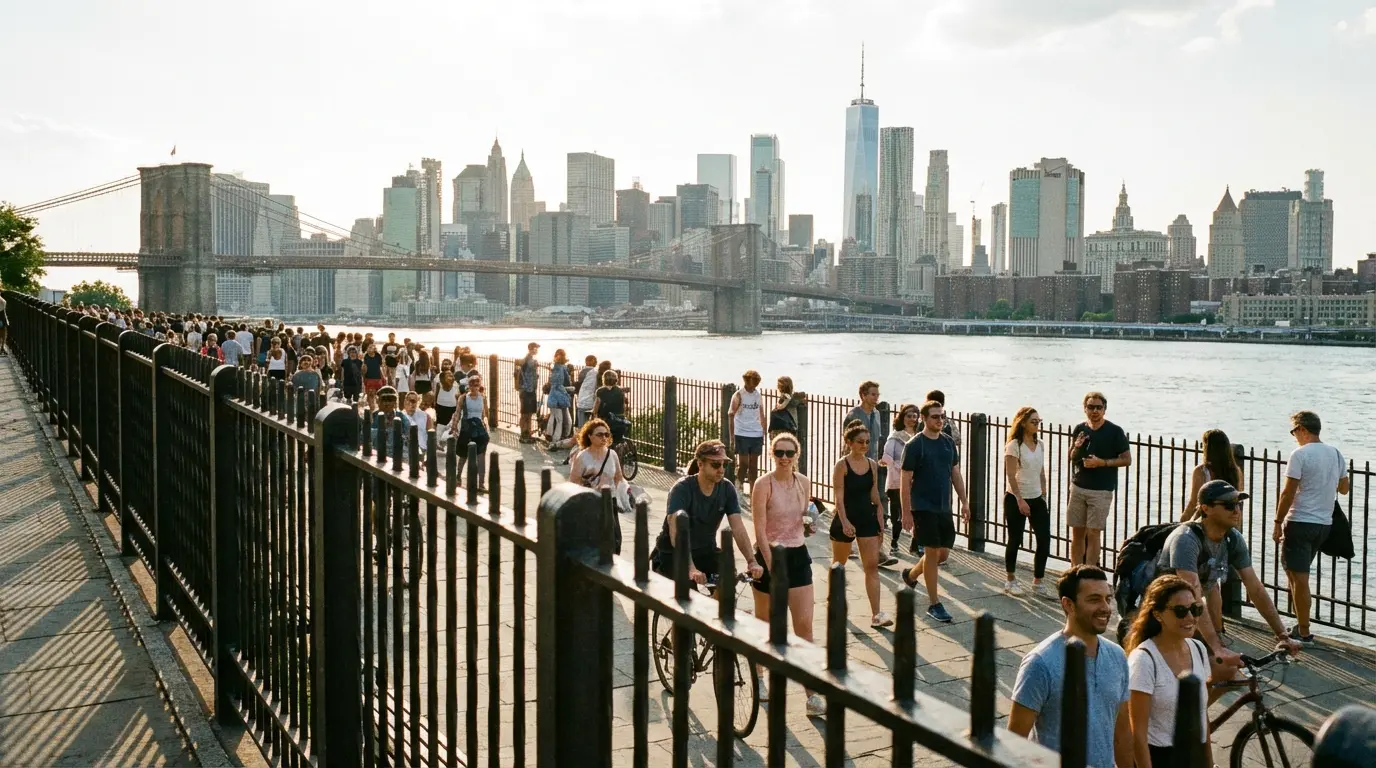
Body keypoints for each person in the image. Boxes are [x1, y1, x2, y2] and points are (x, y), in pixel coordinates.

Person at [1156, 479, 1302, 670]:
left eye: (1238, 504)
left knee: (1227, 673)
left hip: (1187, 613)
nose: (1236, 510)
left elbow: (1255, 588)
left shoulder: (1232, 538)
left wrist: (1283, 635)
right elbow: (1194, 598)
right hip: (1162, 612)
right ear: (1205, 509)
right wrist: (1217, 647)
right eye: (1228, 505)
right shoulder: (1186, 540)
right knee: (1197, 674)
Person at [1008, 565, 1133, 768]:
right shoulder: (1040, 663)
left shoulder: (1117, 655)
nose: (1106, 608)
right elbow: (1015, 742)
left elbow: (1122, 734)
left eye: (1107, 599)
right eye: (1094, 599)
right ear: (1069, 605)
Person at [751, 432, 825, 717]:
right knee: (765, 622)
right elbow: (758, 528)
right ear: (772, 454)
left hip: (797, 555)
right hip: (770, 553)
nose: (784, 458)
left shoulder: (803, 482)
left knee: (804, 627)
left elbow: (804, 522)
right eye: (779, 453)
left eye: (789, 453)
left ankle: (811, 693)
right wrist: (770, 566)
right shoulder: (763, 484)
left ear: (797, 455)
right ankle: (759, 674)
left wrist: (810, 527)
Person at [1124, 575, 1216, 768]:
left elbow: (1201, 714)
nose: (1191, 617)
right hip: (1161, 758)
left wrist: (1209, 761)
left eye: (1195, 609)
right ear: (1157, 614)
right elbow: (1137, 735)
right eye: (1180, 611)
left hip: (1194, 755)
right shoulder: (1144, 660)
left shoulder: (1198, 649)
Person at [1275, 410, 1349, 644]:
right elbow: (1344, 488)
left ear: (1303, 429)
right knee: (1296, 574)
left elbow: (1288, 492)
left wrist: (1277, 523)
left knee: (1299, 579)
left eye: (1294, 431)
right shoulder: (1335, 454)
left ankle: (1304, 631)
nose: (1294, 436)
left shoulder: (1300, 454)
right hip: (1323, 525)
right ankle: (1299, 621)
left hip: (1299, 522)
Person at [650, 440, 764, 586]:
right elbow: (676, 534)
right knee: (688, 594)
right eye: (716, 464)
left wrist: (751, 561)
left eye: (724, 464)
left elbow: (738, 528)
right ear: (700, 464)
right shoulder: (681, 489)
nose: (721, 469)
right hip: (674, 553)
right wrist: (691, 568)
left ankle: (720, 607)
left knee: (728, 579)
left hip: (705, 551)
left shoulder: (727, 489)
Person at [900, 399, 971, 623]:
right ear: (924, 418)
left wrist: (964, 501)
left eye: (942, 416)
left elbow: (955, 473)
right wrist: (906, 512)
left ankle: (911, 575)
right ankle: (934, 604)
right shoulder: (914, 445)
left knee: (942, 553)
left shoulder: (948, 442)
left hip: (944, 506)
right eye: (935, 416)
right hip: (922, 506)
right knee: (931, 553)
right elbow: (905, 480)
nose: (940, 420)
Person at [830, 423, 892, 629]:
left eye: (867, 442)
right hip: (846, 516)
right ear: (849, 443)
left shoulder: (872, 465)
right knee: (839, 565)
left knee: (872, 566)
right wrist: (845, 522)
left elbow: (874, 495)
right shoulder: (841, 465)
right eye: (860, 442)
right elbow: (838, 498)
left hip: (867, 517)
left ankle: (876, 614)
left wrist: (881, 516)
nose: (864, 445)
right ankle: (834, 600)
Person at [1068, 391, 1132, 568]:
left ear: (1104, 409)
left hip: (1101, 490)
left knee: (1094, 532)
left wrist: (1101, 463)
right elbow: (1072, 457)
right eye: (1091, 407)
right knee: (1077, 532)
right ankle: (1075, 569)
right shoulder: (1080, 429)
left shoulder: (1114, 431)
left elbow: (1127, 459)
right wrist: (1077, 447)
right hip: (1078, 487)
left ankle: (1089, 570)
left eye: (1098, 407)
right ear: (1085, 409)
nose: (1094, 411)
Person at [1004, 406, 1051, 598]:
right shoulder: (1014, 445)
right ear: (1023, 422)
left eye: (1039, 421)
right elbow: (1010, 476)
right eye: (1033, 421)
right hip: (1016, 498)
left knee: (1044, 539)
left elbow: (1041, 471)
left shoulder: (1039, 444)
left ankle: (1038, 581)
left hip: (1036, 497)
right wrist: (1020, 500)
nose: (1037, 424)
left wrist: (1044, 494)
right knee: (1015, 539)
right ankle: (1010, 580)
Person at [881, 404, 919, 565]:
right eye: (909, 416)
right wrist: (900, 466)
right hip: (897, 480)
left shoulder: (919, 436)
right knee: (898, 514)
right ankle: (894, 542)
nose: (912, 419)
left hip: (916, 481)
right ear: (902, 418)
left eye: (914, 416)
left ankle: (915, 545)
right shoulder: (895, 437)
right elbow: (886, 457)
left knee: (917, 512)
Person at [1182, 429, 1244, 522]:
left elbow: (1194, 502)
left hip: (1208, 521)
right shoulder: (1236, 471)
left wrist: (1183, 520)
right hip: (1228, 520)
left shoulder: (1201, 471)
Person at [728, 370, 768, 495]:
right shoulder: (739, 395)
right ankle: (738, 489)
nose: (755, 384)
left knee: (753, 466)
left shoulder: (758, 395)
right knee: (743, 464)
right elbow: (731, 414)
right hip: (742, 433)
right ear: (747, 380)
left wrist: (764, 431)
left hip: (756, 433)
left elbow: (761, 414)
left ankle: (753, 492)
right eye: (753, 381)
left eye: (757, 381)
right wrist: (732, 437)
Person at [452, 373, 490, 488]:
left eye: (477, 385)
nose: (475, 387)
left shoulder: (483, 398)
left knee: (481, 456)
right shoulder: (463, 398)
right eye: (472, 385)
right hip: (467, 428)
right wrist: (454, 427)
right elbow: (457, 413)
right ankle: (458, 476)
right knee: (463, 455)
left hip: (479, 428)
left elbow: (484, 414)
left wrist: (486, 426)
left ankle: (481, 483)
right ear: (469, 385)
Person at [846, 381, 884, 462]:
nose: (876, 398)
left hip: (872, 461)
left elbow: (876, 439)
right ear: (863, 395)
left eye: (878, 395)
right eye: (873, 395)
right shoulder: (853, 415)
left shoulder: (877, 414)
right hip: (855, 461)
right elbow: (847, 441)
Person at [546, 348, 574, 444]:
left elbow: (553, 382)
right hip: (560, 396)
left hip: (552, 395)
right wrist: (569, 390)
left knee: (554, 416)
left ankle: (549, 434)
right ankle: (557, 439)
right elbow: (563, 383)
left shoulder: (554, 368)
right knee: (560, 420)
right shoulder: (563, 368)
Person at [516, 342, 541, 443]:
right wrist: (536, 364)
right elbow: (531, 367)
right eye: (536, 348)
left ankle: (527, 433)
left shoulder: (528, 359)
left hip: (529, 390)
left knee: (529, 413)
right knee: (525, 413)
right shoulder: (529, 359)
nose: (537, 350)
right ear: (531, 349)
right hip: (527, 390)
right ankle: (524, 435)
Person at [593, 370, 628, 442]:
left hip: (606, 419)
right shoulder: (620, 390)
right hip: (619, 418)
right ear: (616, 380)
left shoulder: (600, 391)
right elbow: (623, 405)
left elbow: (597, 403)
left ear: (604, 379)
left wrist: (594, 413)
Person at [433, 370, 461, 441]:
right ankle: (438, 442)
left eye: (452, 375)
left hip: (452, 409)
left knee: (451, 428)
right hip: (441, 409)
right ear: (443, 378)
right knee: (440, 428)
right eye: (448, 375)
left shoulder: (456, 384)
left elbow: (458, 398)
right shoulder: (439, 385)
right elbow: (435, 397)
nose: (451, 376)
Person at [575, 355, 598, 427]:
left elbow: (579, 383)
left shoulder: (582, 372)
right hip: (592, 401)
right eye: (595, 360)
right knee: (592, 425)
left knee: (581, 425)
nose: (596, 362)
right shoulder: (595, 372)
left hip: (582, 400)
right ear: (589, 361)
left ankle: (582, 437)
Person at [362, 343, 386, 408]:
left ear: (374, 349)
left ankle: (379, 409)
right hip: (369, 379)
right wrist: (364, 379)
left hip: (378, 379)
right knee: (370, 396)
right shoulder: (366, 356)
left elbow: (380, 367)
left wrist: (383, 377)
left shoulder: (378, 356)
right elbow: (364, 369)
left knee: (379, 396)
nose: (369, 349)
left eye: (371, 347)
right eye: (368, 347)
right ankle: (371, 409)